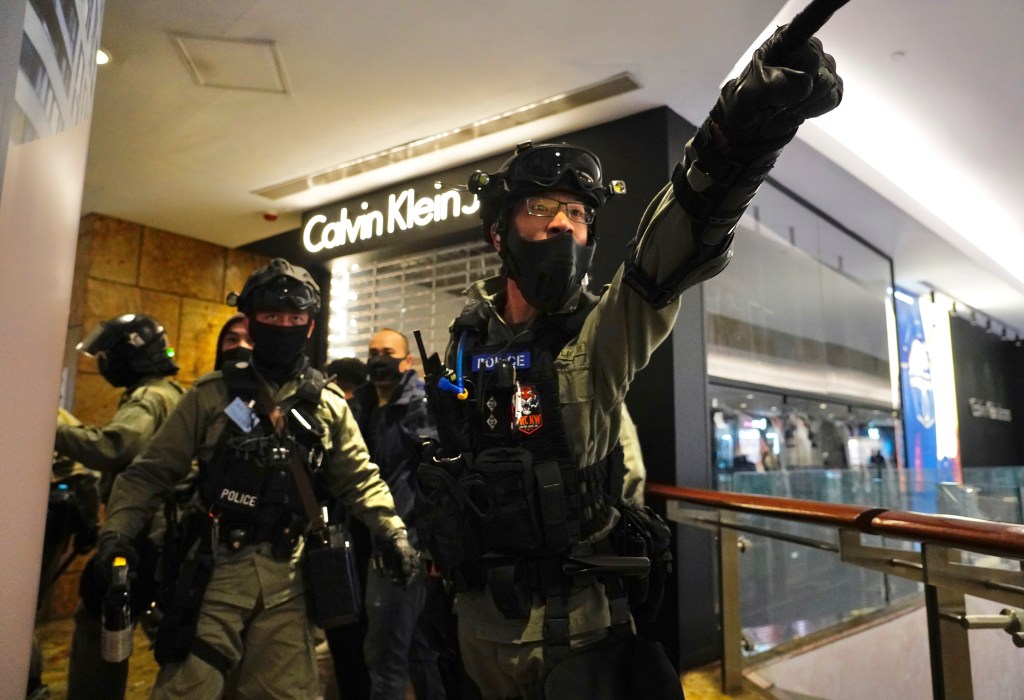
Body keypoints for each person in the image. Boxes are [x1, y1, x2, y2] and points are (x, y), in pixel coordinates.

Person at [415, 25, 842, 699]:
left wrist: (739, 139)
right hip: (472, 625)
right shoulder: (466, 339)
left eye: (578, 213)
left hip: (574, 635)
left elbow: (667, 256)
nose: (563, 223)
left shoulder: (599, 334)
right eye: (541, 208)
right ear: (499, 232)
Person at [94, 258, 418, 699]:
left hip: (289, 583)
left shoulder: (328, 404)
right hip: (214, 576)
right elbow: (148, 475)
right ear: (250, 321)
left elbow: (360, 479)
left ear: (309, 325)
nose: (283, 326)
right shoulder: (211, 396)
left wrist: (392, 532)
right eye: (271, 316)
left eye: (294, 318)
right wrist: (117, 535)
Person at [56, 313, 185, 700]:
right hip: (164, 531)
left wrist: (52, 426)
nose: (104, 362)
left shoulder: (149, 398)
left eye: (109, 354)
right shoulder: (170, 392)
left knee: (101, 621)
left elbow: (114, 447)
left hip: (141, 533)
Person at [343, 328, 447, 700]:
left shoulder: (419, 406)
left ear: (407, 360)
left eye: (387, 352)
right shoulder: (366, 405)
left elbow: (436, 479)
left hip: (404, 545)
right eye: (373, 352)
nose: (378, 359)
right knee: (416, 649)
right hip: (375, 541)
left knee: (388, 654)